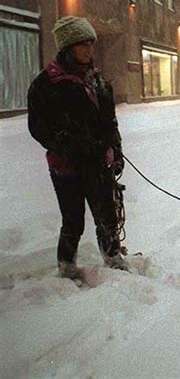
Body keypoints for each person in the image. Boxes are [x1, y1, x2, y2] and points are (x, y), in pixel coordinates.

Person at [27, 16, 127, 279]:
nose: (89, 50)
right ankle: (67, 266)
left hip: (99, 163)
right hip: (67, 167)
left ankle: (113, 259)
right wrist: (69, 145)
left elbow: (110, 122)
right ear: (68, 47)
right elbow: (38, 127)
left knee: (108, 215)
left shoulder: (98, 81)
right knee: (73, 220)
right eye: (83, 45)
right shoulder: (46, 83)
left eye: (91, 44)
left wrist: (115, 151)